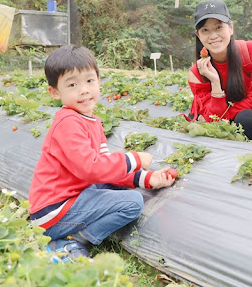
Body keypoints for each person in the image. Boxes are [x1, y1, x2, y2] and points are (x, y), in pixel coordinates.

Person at [29, 44, 175, 262]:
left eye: (89, 81)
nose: (84, 90)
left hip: (72, 198)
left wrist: (146, 177)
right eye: (72, 84)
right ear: (55, 92)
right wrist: (134, 159)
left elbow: (105, 168)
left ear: (99, 80)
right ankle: (73, 239)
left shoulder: (92, 121)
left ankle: (71, 235)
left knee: (111, 183)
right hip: (53, 212)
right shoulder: (68, 123)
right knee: (133, 203)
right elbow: (92, 169)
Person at [187, 0, 252, 140]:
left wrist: (224, 118)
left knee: (247, 120)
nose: (213, 36)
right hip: (220, 122)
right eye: (205, 30)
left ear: (231, 28)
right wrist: (215, 83)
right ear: (198, 35)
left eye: (219, 27)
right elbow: (214, 121)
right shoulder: (196, 73)